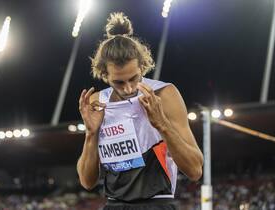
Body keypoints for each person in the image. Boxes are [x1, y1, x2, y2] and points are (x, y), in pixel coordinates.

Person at [77, 12, 203, 210]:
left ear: (143, 66)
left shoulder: (164, 93)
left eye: (134, 78)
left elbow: (195, 170)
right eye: (118, 82)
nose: (128, 88)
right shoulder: (97, 102)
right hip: (113, 205)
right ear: (104, 74)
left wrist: (162, 124)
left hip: (156, 204)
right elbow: (87, 181)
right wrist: (91, 135)